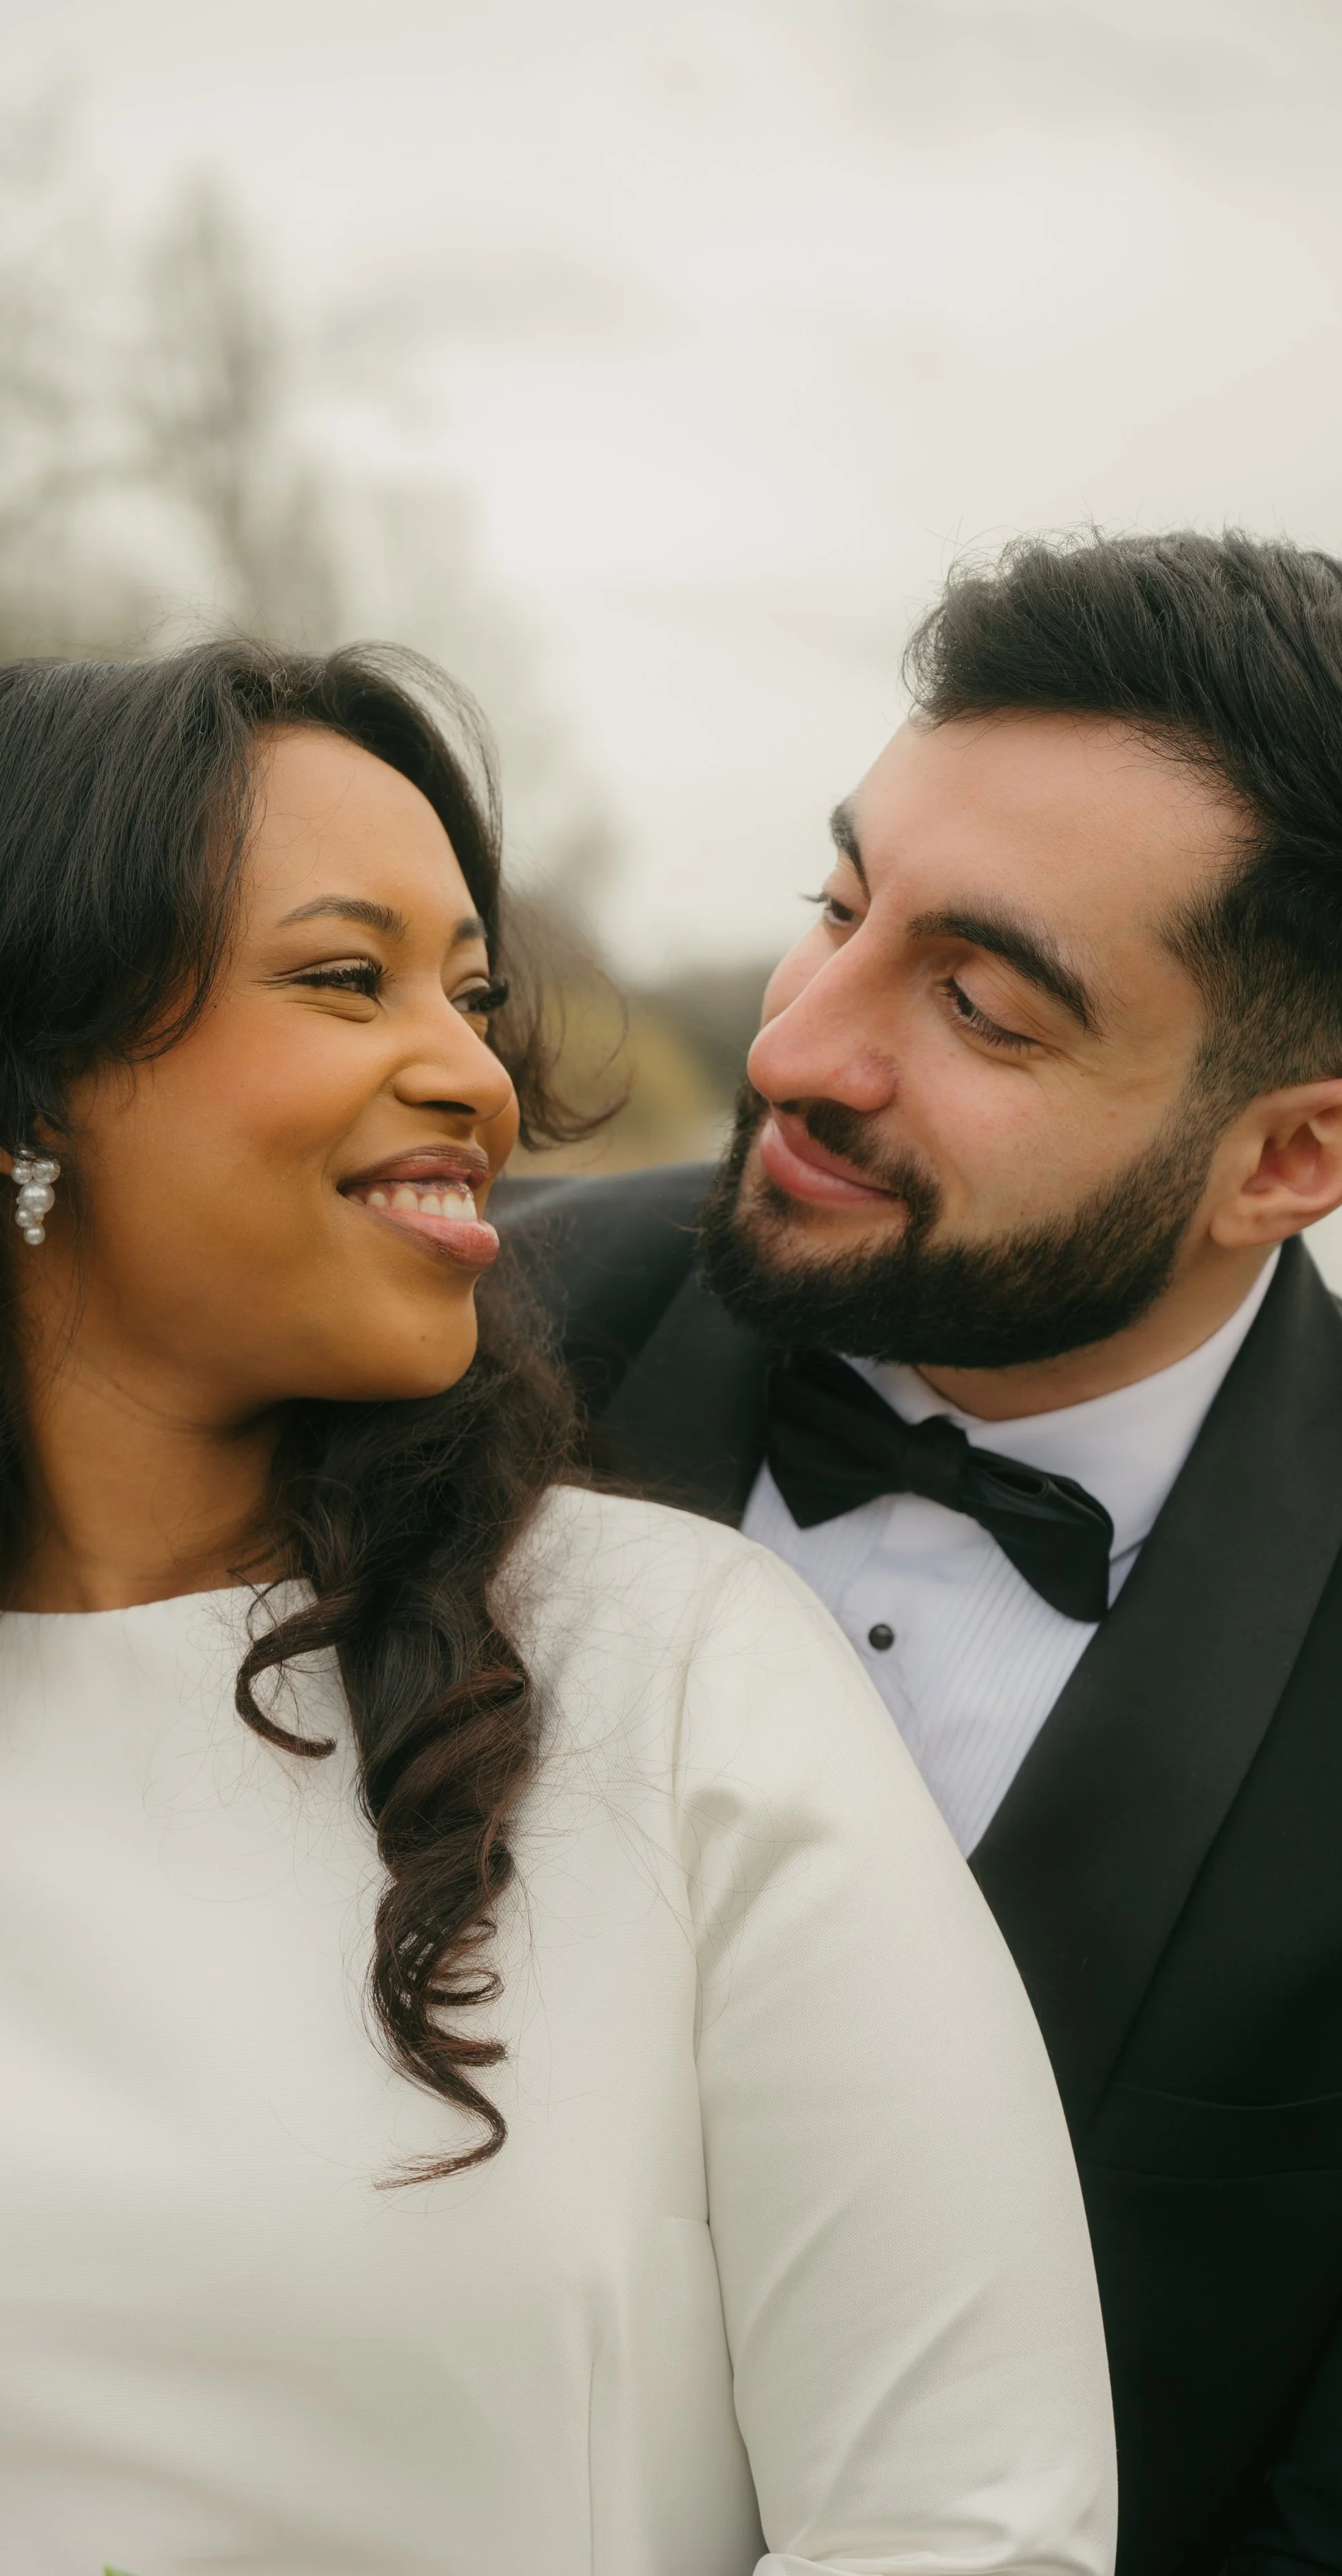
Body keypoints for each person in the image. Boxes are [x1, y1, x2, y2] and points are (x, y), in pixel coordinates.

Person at [0, 642, 1110, 2576]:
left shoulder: (674, 1670)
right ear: (12, 1095)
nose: (475, 1073)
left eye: (473, 995)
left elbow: (963, 2522)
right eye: (346, 977)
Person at [506, 528, 1342, 2576]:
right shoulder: (462, 1359)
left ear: (1288, 1155)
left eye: (976, 1003)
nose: (797, 1046)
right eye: (835, 907)